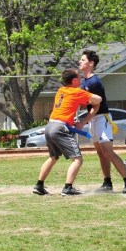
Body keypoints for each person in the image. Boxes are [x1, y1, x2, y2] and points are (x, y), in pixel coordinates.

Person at [33, 68, 101, 196]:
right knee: (78, 159)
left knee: (53, 157)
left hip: (50, 125)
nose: (81, 80)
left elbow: (71, 103)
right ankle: (68, 188)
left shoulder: (61, 90)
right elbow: (98, 99)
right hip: (59, 128)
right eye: (79, 78)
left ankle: (39, 185)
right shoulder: (76, 91)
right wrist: (87, 94)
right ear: (74, 80)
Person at [78, 51, 126, 193]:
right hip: (93, 119)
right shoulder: (84, 82)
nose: (79, 62)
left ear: (91, 63)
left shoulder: (94, 82)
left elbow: (97, 106)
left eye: (82, 59)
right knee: (100, 152)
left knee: (108, 152)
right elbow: (85, 104)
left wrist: (83, 121)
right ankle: (107, 182)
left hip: (102, 118)